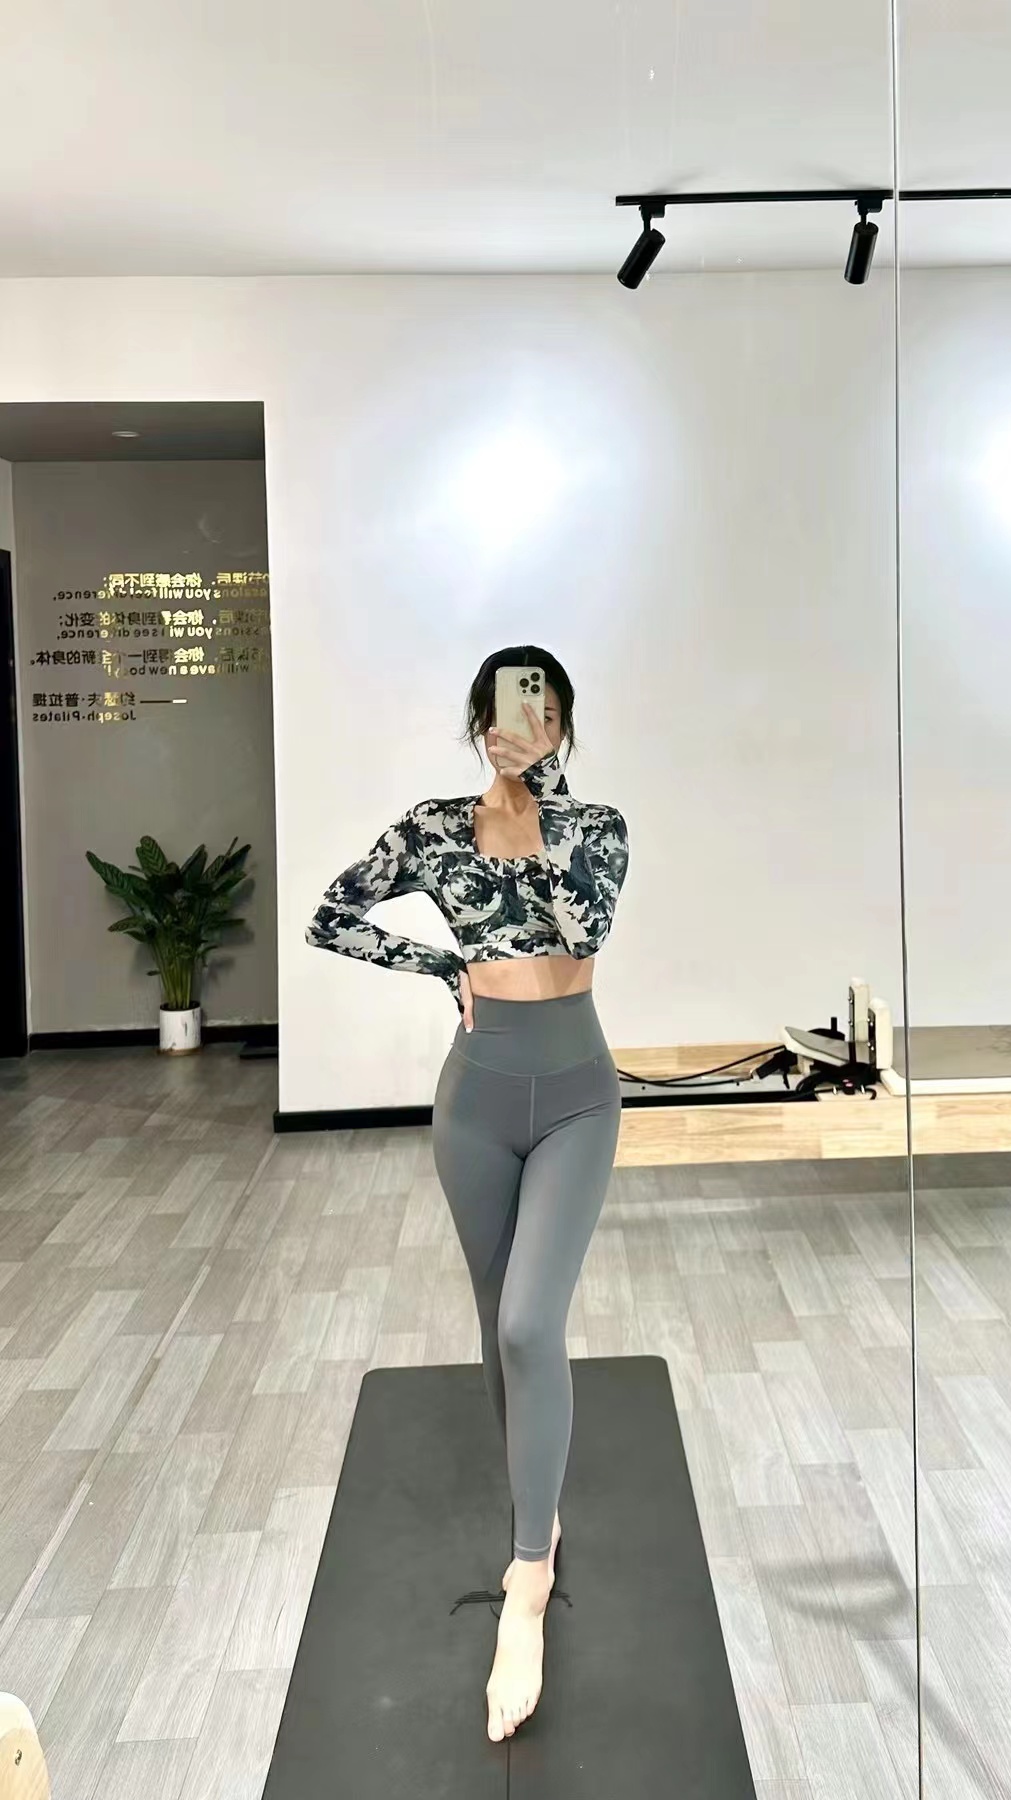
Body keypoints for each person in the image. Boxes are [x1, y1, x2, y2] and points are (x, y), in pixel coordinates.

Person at [306, 644, 629, 1743]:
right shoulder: (434, 827)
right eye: (503, 703)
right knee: (501, 1329)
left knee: (534, 1323)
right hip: (476, 1099)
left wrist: (540, 794)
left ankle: (527, 1579)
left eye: (543, 706)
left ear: (564, 724)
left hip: (577, 1094)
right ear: (477, 718)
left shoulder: (598, 828)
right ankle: (537, 1517)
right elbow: (332, 914)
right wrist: (441, 967)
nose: (520, 720)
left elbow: (583, 926)